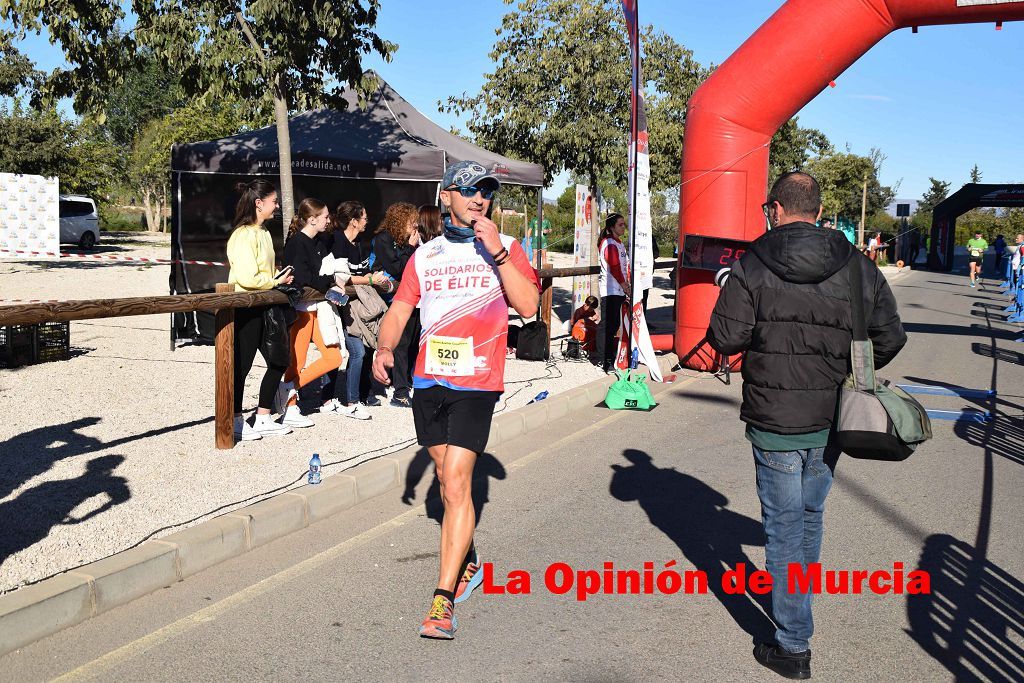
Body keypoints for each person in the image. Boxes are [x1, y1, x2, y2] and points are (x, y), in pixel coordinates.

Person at [707, 171, 906, 680]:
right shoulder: (858, 267)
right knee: (809, 517)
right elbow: (890, 338)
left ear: (775, 208)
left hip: (774, 420)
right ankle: (798, 600)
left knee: (783, 527)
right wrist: (844, 367)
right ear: (818, 210)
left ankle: (793, 642)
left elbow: (726, 339)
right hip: (832, 416)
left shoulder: (751, 263)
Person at [372, 160, 539, 640]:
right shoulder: (423, 257)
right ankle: (468, 559)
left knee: (458, 481)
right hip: (429, 381)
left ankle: (441, 601)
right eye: (467, 190)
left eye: (485, 191)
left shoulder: (506, 249)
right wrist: (384, 347)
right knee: (445, 478)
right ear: (445, 196)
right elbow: (402, 308)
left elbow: (528, 306)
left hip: (477, 382)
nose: (478, 199)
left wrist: (499, 256)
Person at [227, 179, 294, 441]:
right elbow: (247, 278)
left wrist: (275, 276)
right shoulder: (242, 235)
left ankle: (263, 416)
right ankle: (234, 419)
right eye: (274, 201)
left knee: (279, 360)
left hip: (266, 304)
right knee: (241, 366)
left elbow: (260, 274)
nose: (277, 205)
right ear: (259, 203)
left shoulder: (265, 233)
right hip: (246, 306)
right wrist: (277, 281)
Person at [278, 197, 348, 425]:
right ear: (312, 219)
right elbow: (302, 276)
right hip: (301, 310)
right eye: (325, 217)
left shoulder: (318, 242)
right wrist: (329, 281)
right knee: (296, 361)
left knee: (334, 357)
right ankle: (289, 406)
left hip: (317, 308)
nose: (329, 221)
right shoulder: (297, 243)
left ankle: (288, 389)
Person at [324, 201, 394, 419]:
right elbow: (342, 277)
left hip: (360, 306)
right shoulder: (337, 241)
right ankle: (350, 400)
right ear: (353, 221)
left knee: (361, 351)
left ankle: (349, 396)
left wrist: (373, 278)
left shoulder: (360, 243)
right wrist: (370, 279)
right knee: (355, 352)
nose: (367, 221)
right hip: (341, 306)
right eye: (363, 218)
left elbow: (362, 273)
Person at [371, 202, 421, 408]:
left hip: (413, 300)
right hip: (392, 301)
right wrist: (411, 247)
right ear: (401, 222)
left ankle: (408, 383)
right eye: (412, 222)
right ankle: (399, 393)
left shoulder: (410, 240)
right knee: (400, 346)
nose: (416, 226)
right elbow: (398, 268)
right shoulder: (383, 240)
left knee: (413, 344)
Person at [597, 213, 629, 373]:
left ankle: (610, 356)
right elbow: (615, 267)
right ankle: (604, 360)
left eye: (624, 224)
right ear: (611, 227)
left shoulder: (619, 243)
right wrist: (624, 285)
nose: (624, 227)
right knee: (608, 326)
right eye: (620, 225)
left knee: (614, 324)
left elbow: (624, 266)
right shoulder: (609, 243)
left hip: (618, 290)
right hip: (610, 290)